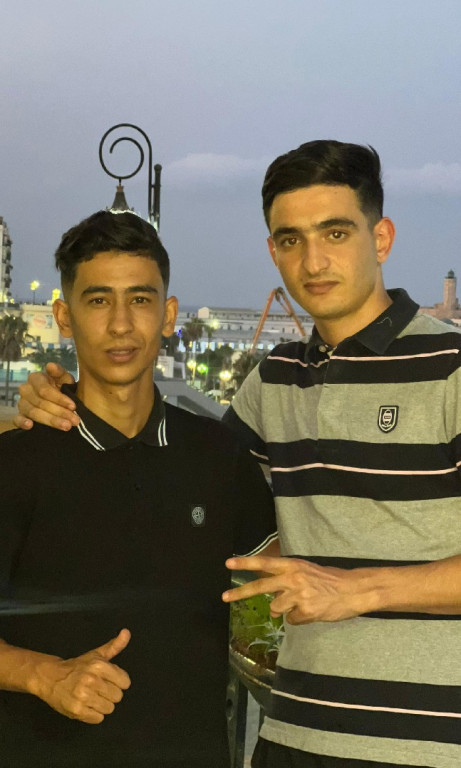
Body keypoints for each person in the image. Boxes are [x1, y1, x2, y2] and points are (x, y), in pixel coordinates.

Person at [14, 141, 461, 768]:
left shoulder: (451, 369)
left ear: (380, 238)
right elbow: (169, 469)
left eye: (335, 232)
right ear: (273, 251)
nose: (313, 260)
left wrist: (355, 589)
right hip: (293, 735)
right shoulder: (273, 382)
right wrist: (41, 400)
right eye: (291, 239)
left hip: (427, 744)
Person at [0, 210, 277, 768]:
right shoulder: (16, 463)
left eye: (141, 299)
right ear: (64, 317)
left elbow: (276, 593)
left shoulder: (221, 457)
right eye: (99, 300)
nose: (121, 324)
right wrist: (45, 675)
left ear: (168, 314)